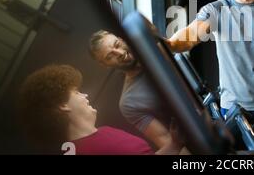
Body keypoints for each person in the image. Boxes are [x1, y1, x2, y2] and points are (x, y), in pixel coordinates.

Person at [18, 64, 183, 155]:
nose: (85, 95)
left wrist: (174, 145)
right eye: (76, 92)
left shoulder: (102, 134)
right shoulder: (90, 149)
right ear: (63, 105)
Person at [89, 30, 173, 150]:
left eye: (117, 44)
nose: (119, 53)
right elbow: (167, 141)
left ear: (122, 39)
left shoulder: (156, 49)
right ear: (105, 65)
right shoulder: (129, 103)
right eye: (110, 56)